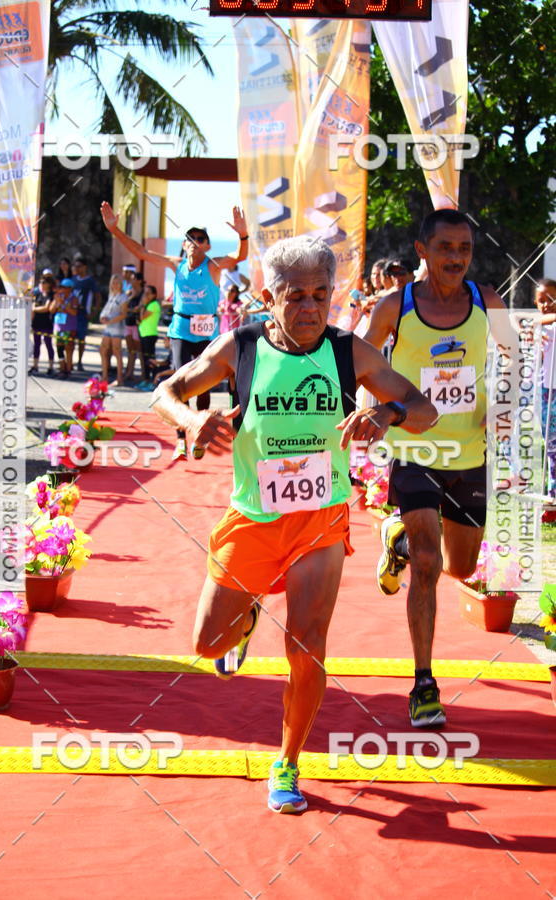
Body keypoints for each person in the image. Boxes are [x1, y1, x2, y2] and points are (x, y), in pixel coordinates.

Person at [151, 235, 436, 813]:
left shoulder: (348, 351)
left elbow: (424, 409)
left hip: (320, 520)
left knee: (307, 647)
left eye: (320, 295)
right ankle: (249, 609)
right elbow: (167, 391)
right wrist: (190, 420)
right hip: (254, 517)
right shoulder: (241, 346)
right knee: (207, 644)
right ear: (268, 298)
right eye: (296, 296)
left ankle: (287, 763)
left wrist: (386, 413)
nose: (310, 308)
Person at [364, 208, 511, 728]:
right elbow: (360, 360)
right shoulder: (395, 305)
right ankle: (424, 684)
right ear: (422, 251)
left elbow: (515, 360)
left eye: (464, 248)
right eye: (445, 247)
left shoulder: (487, 302)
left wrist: (504, 403)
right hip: (416, 450)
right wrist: (386, 409)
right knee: (428, 564)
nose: (456, 257)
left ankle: (399, 541)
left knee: (459, 568)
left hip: (470, 455)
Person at [100, 200, 249, 461]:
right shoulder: (175, 264)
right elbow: (142, 252)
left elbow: (239, 256)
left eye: (200, 239)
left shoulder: (213, 266)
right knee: (179, 382)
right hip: (181, 329)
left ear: (207, 246)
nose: (194, 242)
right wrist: (115, 230)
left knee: (203, 386)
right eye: (190, 238)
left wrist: (243, 235)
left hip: (206, 332)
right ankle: (181, 438)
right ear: (184, 244)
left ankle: (201, 436)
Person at [534, 278, 556, 497]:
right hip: (546, 391)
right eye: (542, 300)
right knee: (551, 445)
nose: (547, 304)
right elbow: (517, 320)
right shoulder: (538, 327)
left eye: (552, 299)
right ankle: (553, 493)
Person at [72, 255, 101, 372]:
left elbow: (97, 296)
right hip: (72, 313)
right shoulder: (73, 279)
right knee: (71, 338)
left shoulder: (90, 281)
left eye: (79, 266)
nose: (77, 268)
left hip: (83, 314)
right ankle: (70, 361)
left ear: (85, 267)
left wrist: (94, 312)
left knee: (81, 339)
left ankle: (79, 361)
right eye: (75, 266)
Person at [99, 274, 129, 386]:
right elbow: (107, 310)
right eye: (113, 283)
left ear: (121, 284)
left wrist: (110, 321)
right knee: (103, 350)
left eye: (117, 283)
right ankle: (105, 376)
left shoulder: (123, 297)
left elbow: (124, 314)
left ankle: (119, 378)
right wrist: (102, 317)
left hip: (117, 327)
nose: (115, 285)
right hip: (109, 326)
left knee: (117, 351)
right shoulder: (112, 295)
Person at [50, 278, 79, 378]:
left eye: (64, 287)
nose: (61, 289)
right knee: (59, 347)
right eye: (61, 287)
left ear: (70, 288)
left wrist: (63, 303)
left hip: (69, 327)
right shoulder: (58, 297)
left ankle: (68, 369)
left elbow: (74, 312)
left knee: (69, 348)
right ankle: (62, 368)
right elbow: (51, 310)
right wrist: (56, 301)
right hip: (59, 326)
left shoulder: (74, 299)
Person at [29, 274, 55, 375]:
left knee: (48, 344)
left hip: (47, 323)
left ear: (49, 284)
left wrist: (35, 309)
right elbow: (33, 307)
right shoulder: (38, 294)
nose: (42, 284)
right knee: (37, 345)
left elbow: (46, 308)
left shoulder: (51, 295)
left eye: (44, 282)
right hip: (37, 323)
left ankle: (51, 367)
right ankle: (35, 366)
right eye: (41, 282)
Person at [137, 284, 161, 390]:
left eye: (148, 293)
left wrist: (142, 305)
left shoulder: (153, 305)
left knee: (150, 359)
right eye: (144, 293)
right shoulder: (148, 305)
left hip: (150, 335)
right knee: (145, 359)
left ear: (154, 295)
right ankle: (146, 379)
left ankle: (153, 381)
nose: (145, 296)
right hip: (144, 334)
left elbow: (142, 317)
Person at [123, 271, 145, 383]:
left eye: (133, 279)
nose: (131, 281)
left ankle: (143, 374)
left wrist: (129, 309)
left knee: (139, 350)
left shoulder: (144, 293)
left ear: (139, 281)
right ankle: (129, 372)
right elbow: (123, 306)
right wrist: (131, 297)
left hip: (137, 324)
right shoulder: (129, 292)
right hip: (128, 322)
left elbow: (139, 308)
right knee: (130, 350)